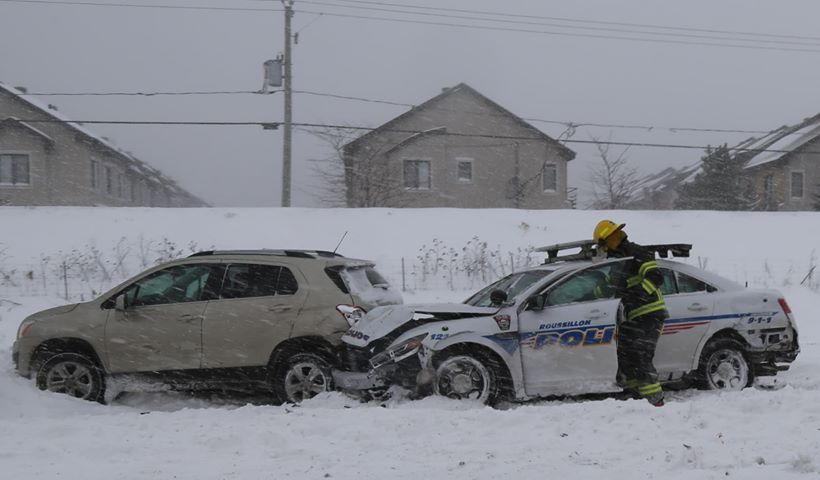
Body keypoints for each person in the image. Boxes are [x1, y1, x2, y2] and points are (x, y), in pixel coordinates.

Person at [593, 220, 667, 407]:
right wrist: (588, 296)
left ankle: (655, 400)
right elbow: (608, 287)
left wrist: (636, 297)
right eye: (613, 236)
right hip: (630, 317)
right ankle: (636, 398)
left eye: (617, 235)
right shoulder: (617, 261)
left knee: (642, 357)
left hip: (649, 314)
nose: (617, 239)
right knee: (626, 357)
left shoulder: (638, 253)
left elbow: (656, 277)